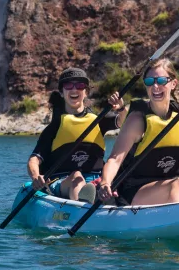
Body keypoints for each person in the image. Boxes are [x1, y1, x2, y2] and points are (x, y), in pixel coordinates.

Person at [97, 58, 179, 206]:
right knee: (178, 184)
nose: (155, 86)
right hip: (135, 190)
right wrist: (105, 183)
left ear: (173, 84)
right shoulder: (137, 121)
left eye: (161, 80)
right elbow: (115, 159)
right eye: (149, 82)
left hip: (172, 185)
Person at [27, 67, 128, 201]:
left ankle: (97, 197)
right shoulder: (56, 126)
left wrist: (121, 108)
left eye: (80, 85)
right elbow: (34, 160)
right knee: (77, 177)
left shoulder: (97, 120)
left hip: (95, 179)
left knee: (111, 181)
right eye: (68, 85)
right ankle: (81, 206)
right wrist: (35, 176)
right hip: (61, 181)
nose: (74, 89)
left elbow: (124, 122)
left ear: (86, 92)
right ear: (62, 92)